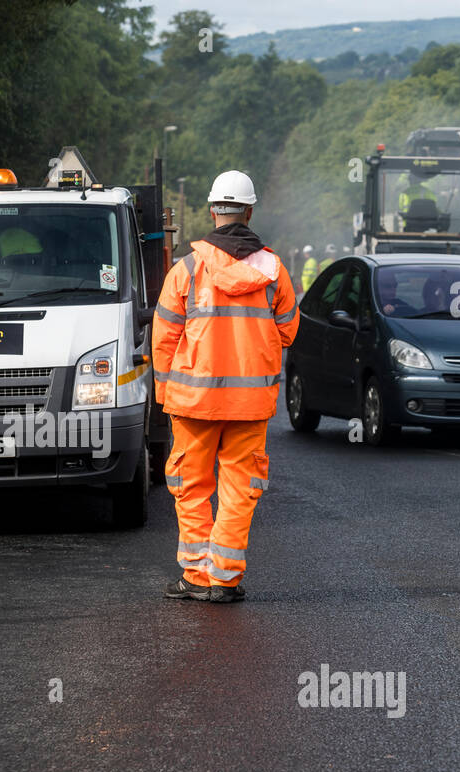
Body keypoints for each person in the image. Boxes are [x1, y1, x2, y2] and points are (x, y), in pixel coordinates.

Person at [153, 169, 299, 603]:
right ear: (249, 211)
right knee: (240, 491)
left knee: (191, 488)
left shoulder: (187, 270)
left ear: (213, 209)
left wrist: (166, 395)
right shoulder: (274, 272)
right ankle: (225, 580)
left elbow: (163, 337)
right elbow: (288, 332)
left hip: (193, 401)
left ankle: (196, 577)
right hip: (250, 404)